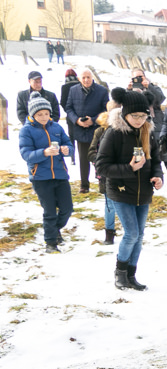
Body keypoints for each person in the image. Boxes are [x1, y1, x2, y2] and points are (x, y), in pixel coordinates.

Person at [95, 88, 163, 291]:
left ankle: (131, 274)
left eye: (144, 116)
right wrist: (129, 168)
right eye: (135, 116)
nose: (140, 120)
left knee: (139, 235)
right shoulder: (114, 133)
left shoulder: (147, 132)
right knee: (131, 233)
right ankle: (120, 272)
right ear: (125, 113)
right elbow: (101, 166)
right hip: (120, 190)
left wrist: (157, 176)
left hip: (143, 192)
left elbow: (156, 159)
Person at [19, 92, 74, 254]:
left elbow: (69, 146)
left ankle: (54, 229)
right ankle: (50, 243)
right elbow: (26, 154)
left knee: (67, 209)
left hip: (60, 175)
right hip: (40, 177)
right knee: (49, 211)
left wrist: (66, 150)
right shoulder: (26, 131)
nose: (43, 117)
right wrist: (44, 153)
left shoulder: (57, 127)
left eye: (46, 114)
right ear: (32, 115)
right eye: (39, 114)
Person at [65, 69, 109, 193]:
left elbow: (106, 110)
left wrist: (94, 120)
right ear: (79, 79)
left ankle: (103, 184)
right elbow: (68, 108)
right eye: (83, 77)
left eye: (88, 77)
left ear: (92, 77)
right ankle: (84, 185)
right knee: (83, 159)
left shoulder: (101, 91)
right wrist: (77, 120)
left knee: (100, 157)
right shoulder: (73, 90)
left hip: (97, 131)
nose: (86, 80)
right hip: (80, 130)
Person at [129, 69, 167, 187]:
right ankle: (143, 176)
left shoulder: (153, 87)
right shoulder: (131, 90)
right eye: (136, 77)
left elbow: (160, 99)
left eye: (141, 76)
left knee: (163, 152)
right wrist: (128, 90)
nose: (139, 79)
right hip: (139, 125)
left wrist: (148, 86)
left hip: (156, 124)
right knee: (142, 150)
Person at [89, 97, 121, 245]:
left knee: (125, 202)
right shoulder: (100, 131)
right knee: (109, 203)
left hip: (124, 171)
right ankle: (109, 233)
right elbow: (91, 152)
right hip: (106, 173)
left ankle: (130, 232)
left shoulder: (127, 130)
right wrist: (103, 161)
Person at [59, 68, 80, 165]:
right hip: (81, 115)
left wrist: (68, 111)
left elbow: (63, 102)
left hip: (70, 116)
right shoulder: (80, 85)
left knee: (71, 137)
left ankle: (73, 158)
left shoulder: (65, 87)